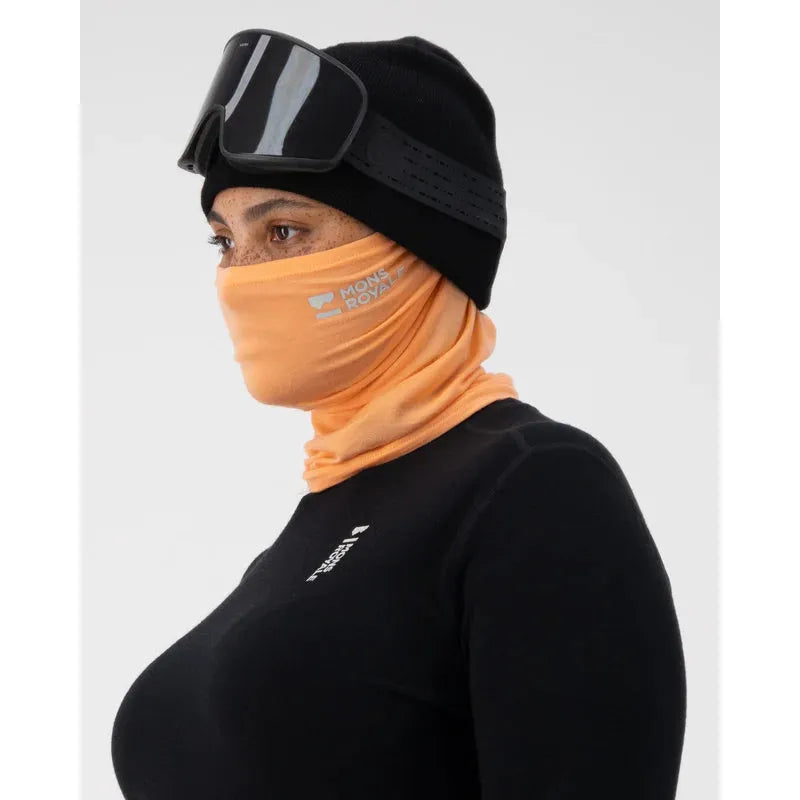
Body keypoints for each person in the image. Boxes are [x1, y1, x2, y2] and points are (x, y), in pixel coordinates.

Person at [111, 29, 686, 799]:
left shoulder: (535, 485)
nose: (240, 278)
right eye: (223, 242)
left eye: (284, 232)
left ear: (418, 247)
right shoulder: (333, 504)